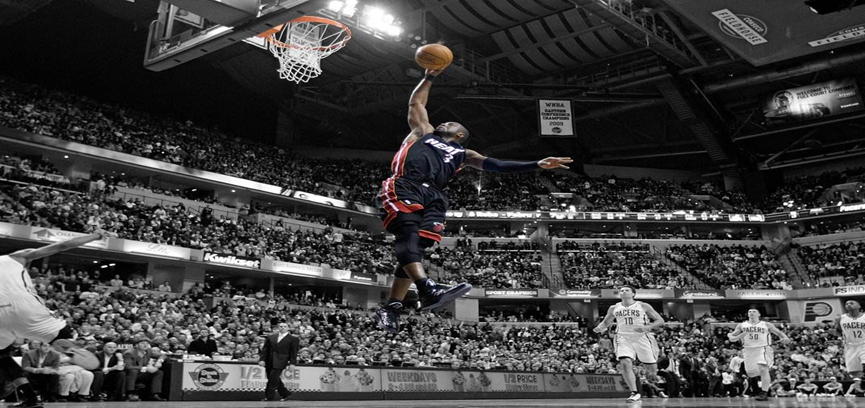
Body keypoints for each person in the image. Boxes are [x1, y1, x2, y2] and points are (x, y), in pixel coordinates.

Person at [373, 66, 572, 333]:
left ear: (460, 135)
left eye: (451, 124)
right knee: (407, 233)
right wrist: (430, 76)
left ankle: (393, 307)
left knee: (417, 248)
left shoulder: (465, 154)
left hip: (435, 196)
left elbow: (497, 165)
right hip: (406, 184)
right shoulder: (423, 131)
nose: (444, 123)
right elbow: (416, 103)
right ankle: (426, 288)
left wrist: (536, 163)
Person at [0, 231, 106, 407]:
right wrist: (96, 236)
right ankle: (69, 345)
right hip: (26, 307)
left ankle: (30, 398)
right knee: (60, 335)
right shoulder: (17, 257)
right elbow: (63, 245)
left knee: (2, 358)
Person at [593, 285, 665, 402]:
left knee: (651, 370)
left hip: (641, 337)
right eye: (621, 290)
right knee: (625, 363)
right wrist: (599, 328)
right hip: (622, 337)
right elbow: (606, 322)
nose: (623, 291)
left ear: (633, 294)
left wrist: (647, 327)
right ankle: (634, 392)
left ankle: (654, 382)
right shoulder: (614, 308)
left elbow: (660, 320)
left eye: (626, 290)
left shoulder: (643, 305)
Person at [726, 308, 791, 401]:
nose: (751, 313)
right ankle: (767, 374)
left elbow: (779, 332)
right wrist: (738, 336)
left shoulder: (766, 324)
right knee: (751, 373)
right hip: (748, 350)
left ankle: (764, 392)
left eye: (754, 311)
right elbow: (732, 337)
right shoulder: (741, 325)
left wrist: (785, 338)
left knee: (763, 368)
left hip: (763, 348)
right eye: (749, 311)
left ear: (759, 314)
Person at [258, 322, 299, 401]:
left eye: (285, 326)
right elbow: (265, 350)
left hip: (281, 360)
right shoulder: (271, 337)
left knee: (273, 378)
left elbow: (294, 352)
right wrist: (262, 359)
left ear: (288, 328)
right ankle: (285, 393)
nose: (282, 328)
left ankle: (269, 396)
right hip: (269, 360)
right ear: (278, 327)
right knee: (273, 378)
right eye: (281, 326)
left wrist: (292, 363)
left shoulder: (293, 339)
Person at [837, 299, 865, 380]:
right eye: (847, 304)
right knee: (854, 373)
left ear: (859, 306)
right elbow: (838, 330)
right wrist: (839, 337)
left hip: (863, 344)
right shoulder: (840, 318)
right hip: (850, 346)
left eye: (851, 303)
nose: (849, 304)